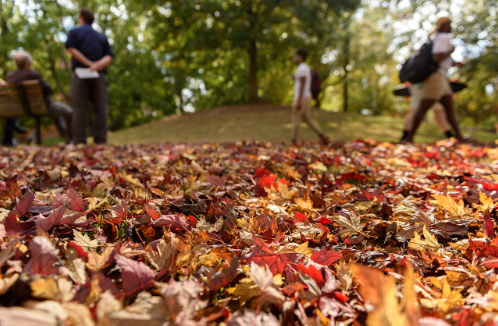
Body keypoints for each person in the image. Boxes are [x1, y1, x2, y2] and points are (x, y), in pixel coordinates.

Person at [404, 16, 464, 143]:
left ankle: (459, 138)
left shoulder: (436, 38)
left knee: (448, 108)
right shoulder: (444, 37)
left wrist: (454, 63)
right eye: (449, 24)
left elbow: (440, 58)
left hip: (441, 77)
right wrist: (450, 50)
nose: (451, 26)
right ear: (443, 26)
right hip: (436, 78)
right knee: (423, 108)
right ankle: (408, 138)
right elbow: (436, 57)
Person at [65, 8, 114, 144]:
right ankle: (101, 140)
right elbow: (110, 55)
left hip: (81, 73)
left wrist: (89, 64)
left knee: (79, 108)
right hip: (98, 73)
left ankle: (79, 140)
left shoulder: (74, 32)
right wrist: (97, 65)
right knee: (101, 108)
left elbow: (71, 48)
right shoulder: (101, 36)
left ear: (81, 18)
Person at [3, 52, 73, 145]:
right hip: (43, 106)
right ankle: (71, 138)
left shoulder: (11, 76)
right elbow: (49, 90)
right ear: (29, 63)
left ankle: (68, 138)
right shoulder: (33, 74)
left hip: (20, 108)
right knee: (70, 112)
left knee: (57, 115)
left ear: (16, 64)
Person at [291, 49, 328, 145]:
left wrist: (298, 100)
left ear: (300, 58)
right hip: (306, 96)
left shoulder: (302, 69)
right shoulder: (303, 68)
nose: (294, 58)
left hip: (302, 97)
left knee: (296, 118)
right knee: (306, 118)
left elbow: (302, 85)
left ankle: (294, 141)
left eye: (295, 56)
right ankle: (322, 135)